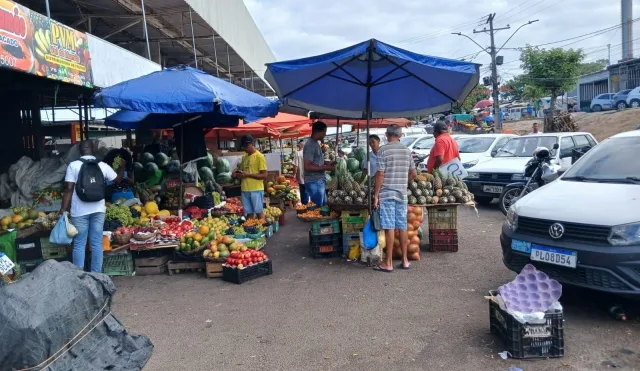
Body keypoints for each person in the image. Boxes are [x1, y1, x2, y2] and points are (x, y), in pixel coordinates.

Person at [60, 141, 125, 272]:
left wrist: (63, 209)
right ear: (93, 149)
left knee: (79, 244)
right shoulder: (102, 165)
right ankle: (97, 275)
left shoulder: (73, 166)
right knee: (97, 244)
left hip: (79, 211)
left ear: (79, 151)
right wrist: (122, 166)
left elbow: (68, 189)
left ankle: (79, 275)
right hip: (98, 210)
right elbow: (117, 179)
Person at [373, 124, 416, 272]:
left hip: (387, 194)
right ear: (400, 135)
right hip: (401, 194)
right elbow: (414, 173)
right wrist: (405, 182)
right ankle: (405, 261)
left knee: (389, 227)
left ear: (386, 134)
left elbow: (380, 174)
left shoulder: (383, 150)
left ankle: (388, 263)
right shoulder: (406, 150)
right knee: (402, 226)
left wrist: (376, 195)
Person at [234, 135, 268, 218]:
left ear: (252, 144)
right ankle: (251, 229)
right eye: (243, 146)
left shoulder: (259, 156)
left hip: (256, 189)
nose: (245, 148)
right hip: (245, 189)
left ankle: (263, 229)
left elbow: (264, 175)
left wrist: (248, 175)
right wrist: (237, 174)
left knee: (259, 212)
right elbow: (243, 173)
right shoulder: (244, 157)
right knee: (249, 213)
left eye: (246, 146)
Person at [303, 121, 335, 206]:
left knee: (323, 207)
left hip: (318, 181)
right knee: (318, 209)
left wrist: (325, 163)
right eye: (325, 132)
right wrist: (325, 167)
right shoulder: (310, 145)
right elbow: (307, 166)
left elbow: (315, 162)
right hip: (314, 181)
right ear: (320, 131)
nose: (325, 134)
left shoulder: (315, 143)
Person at [292, 140, 309, 204]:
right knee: (307, 190)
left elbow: (295, 166)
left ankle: (304, 205)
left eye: (298, 145)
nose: (298, 147)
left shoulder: (298, 153)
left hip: (301, 176)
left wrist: (294, 174)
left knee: (303, 190)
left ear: (300, 146)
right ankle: (307, 204)